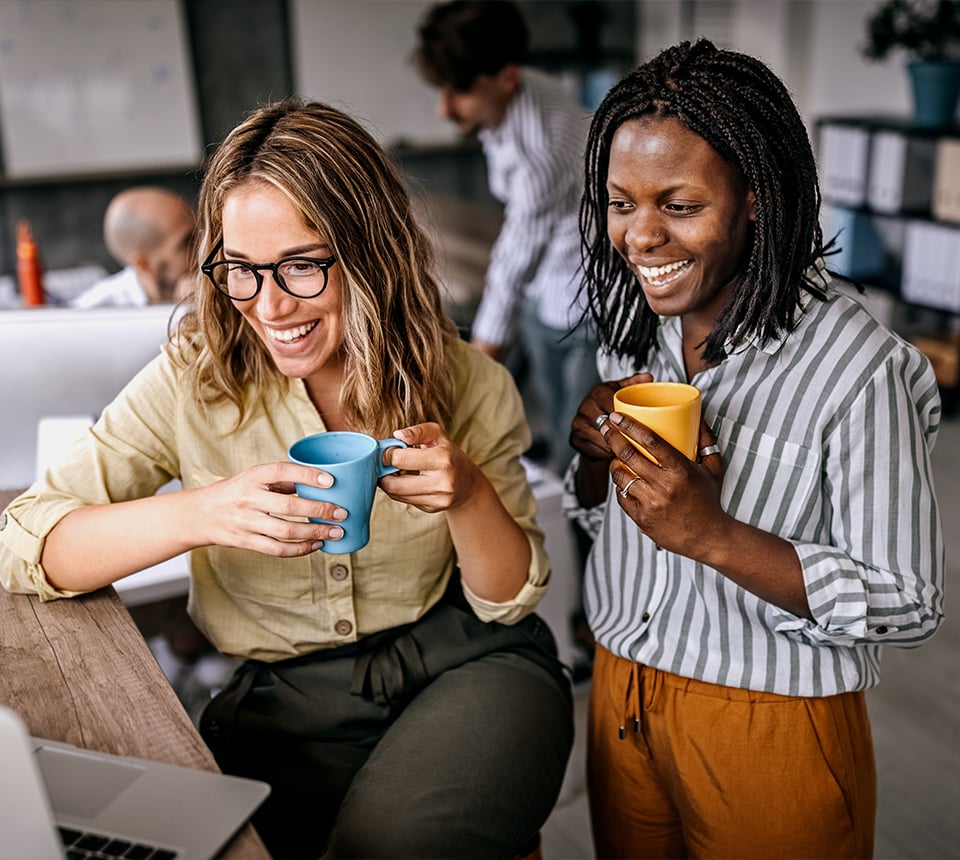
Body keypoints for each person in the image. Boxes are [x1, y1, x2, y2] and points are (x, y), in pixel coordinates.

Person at [0, 98, 573, 860]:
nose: (269, 307)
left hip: (470, 665)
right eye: (241, 269)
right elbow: (23, 540)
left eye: (301, 266)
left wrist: (467, 495)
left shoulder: (466, 382)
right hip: (287, 701)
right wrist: (200, 514)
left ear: (370, 252)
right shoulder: (195, 380)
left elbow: (506, 603)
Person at [564, 39, 945, 858]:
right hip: (622, 692)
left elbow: (908, 600)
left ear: (756, 200)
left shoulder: (860, 370)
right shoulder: (636, 326)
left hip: (771, 720)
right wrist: (595, 462)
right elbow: (608, 525)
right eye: (620, 202)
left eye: (679, 204)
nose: (641, 238)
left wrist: (715, 536)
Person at [414, 0, 600, 475]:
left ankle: (578, 528)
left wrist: (475, 367)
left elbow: (513, 264)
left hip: (588, 307)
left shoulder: (545, 148)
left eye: (459, 92)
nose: (443, 109)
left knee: (579, 440)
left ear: (507, 76)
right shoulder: (514, 95)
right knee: (554, 420)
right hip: (546, 291)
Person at [70, 186, 196, 308]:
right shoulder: (91, 316)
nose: (203, 247)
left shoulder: (204, 289)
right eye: (188, 242)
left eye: (202, 233)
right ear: (143, 263)